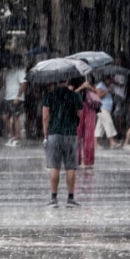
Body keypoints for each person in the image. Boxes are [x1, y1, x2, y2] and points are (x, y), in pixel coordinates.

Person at [42, 79, 84, 208]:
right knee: (70, 167)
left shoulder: (49, 95)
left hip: (54, 133)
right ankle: (70, 198)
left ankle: (53, 198)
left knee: (54, 166)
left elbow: (45, 116)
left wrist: (46, 134)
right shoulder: (75, 95)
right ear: (67, 80)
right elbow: (80, 114)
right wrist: (73, 122)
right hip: (70, 134)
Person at [73, 76, 98, 168]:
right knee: (77, 134)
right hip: (77, 107)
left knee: (89, 135)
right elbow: (71, 93)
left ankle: (88, 161)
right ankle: (76, 159)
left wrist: (89, 87)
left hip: (90, 107)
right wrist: (82, 87)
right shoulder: (74, 77)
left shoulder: (90, 76)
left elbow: (97, 92)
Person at [1, 61, 27, 147]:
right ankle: (12, 136)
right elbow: (4, 83)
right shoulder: (6, 72)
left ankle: (17, 138)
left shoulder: (20, 71)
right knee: (5, 116)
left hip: (16, 97)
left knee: (15, 117)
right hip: (7, 97)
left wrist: (18, 96)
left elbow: (23, 84)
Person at [94, 75, 120, 149]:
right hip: (102, 108)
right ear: (105, 78)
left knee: (100, 126)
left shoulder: (107, 85)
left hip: (107, 108)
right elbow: (99, 95)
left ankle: (95, 143)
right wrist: (107, 90)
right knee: (109, 123)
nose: (111, 80)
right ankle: (112, 141)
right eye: (110, 79)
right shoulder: (100, 85)